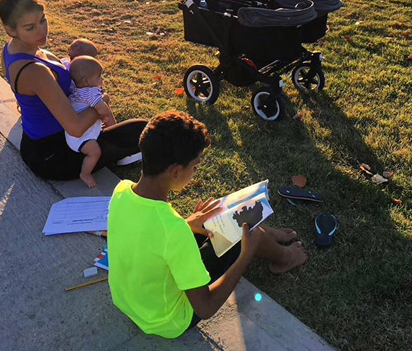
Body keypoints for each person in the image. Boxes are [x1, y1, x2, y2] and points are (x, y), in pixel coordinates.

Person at [107, 110, 308, 339]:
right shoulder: (174, 231)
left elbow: (147, 235)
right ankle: (285, 257)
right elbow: (205, 307)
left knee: (216, 223)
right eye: (195, 166)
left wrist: (188, 223)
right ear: (176, 172)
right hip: (168, 320)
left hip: (129, 302)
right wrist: (245, 255)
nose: (195, 171)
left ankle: (267, 234)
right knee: (246, 232)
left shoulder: (121, 190)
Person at [0, 0, 147, 181]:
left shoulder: (10, 49)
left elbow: (27, 95)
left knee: (131, 131)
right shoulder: (34, 70)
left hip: (38, 143)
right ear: (10, 30)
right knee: (142, 129)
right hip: (53, 156)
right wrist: (101, 102)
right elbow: (75, 128)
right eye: (30, 27)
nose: (41, 30)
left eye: (43, 20)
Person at [65, 56, 116, 188]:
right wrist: (106, 115)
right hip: (81, 137)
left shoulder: (76, 90)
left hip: (75, 132)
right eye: (99, 76)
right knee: (94, 152)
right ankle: (85, 173)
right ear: (86, 80)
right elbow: (101, 106)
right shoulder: (90, 92)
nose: (102, 79)